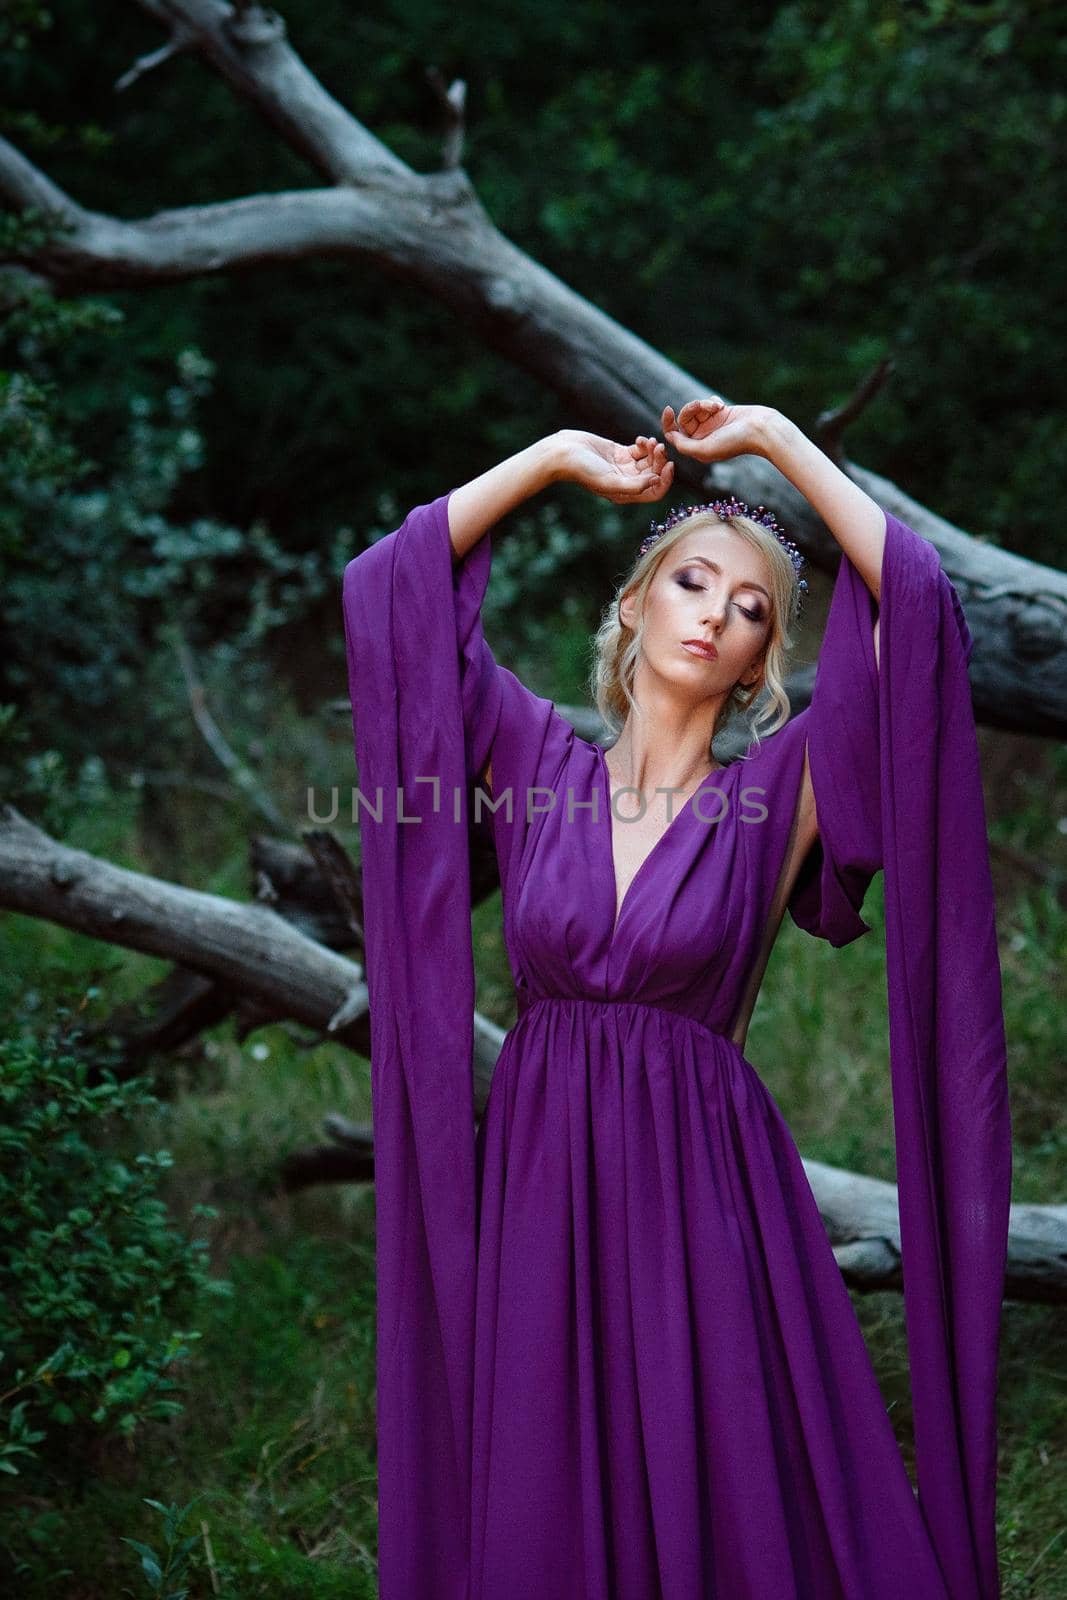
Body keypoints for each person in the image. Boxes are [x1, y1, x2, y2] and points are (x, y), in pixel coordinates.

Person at [342, 397, 1012, 1600]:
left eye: (750, 608)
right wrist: (549, 459)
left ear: (764, 659)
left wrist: (773, 444)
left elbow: (918, 606)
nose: (716, 613)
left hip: (704, 1187)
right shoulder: (530, 761)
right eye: (694, 582)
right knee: (548, 1489)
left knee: (721, 1501)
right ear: (636, 602)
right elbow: (394, 586)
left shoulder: (787, 787)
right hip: (539, 1181)